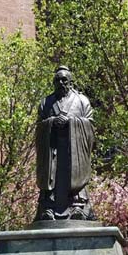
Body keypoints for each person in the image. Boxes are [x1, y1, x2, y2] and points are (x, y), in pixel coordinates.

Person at [35, 66, 95, 221]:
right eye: (57, 80)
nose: (60, 83)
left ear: (71, 82)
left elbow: (90, 126)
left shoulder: (82, 101)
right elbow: (39, 128)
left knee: (74, 176)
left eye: (64, 80)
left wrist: (71, 122)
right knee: (52, 178)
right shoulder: (46, 103)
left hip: (73, 151)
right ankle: (48, 207)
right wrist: (52, 122)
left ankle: (78, 206)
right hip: (53, 151)